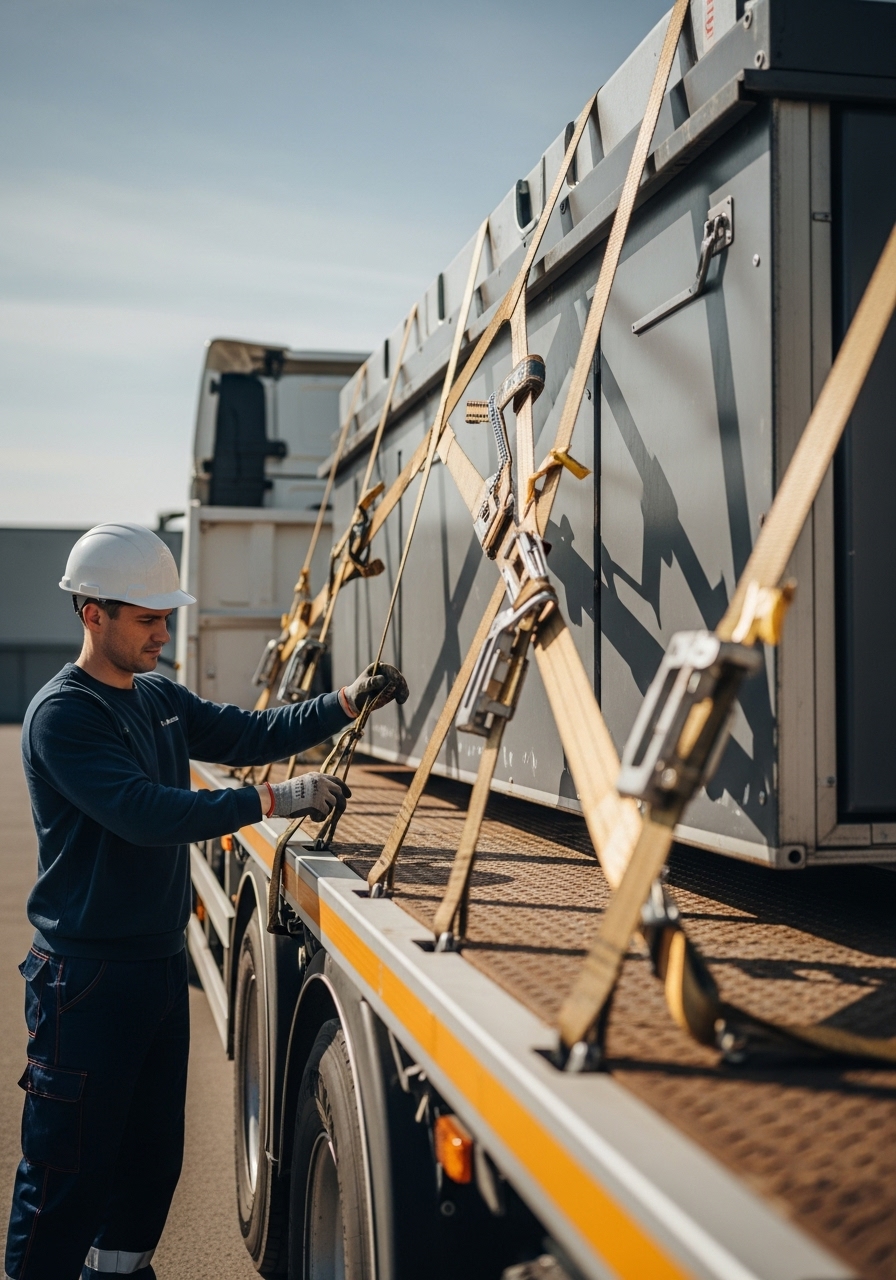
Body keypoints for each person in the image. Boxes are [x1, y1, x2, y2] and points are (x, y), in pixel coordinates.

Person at [4, 523, 407, 1280]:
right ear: (93, 614)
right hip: (85, 983)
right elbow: (147, 811)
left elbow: (250, 730)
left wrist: (346, 701)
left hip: (156, 970)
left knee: (150, 1170)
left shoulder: (157, 697)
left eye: (165, 618)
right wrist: (280, 797)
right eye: (147, 619)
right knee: (64, 1180)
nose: (163, 632)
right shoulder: (64, 715)